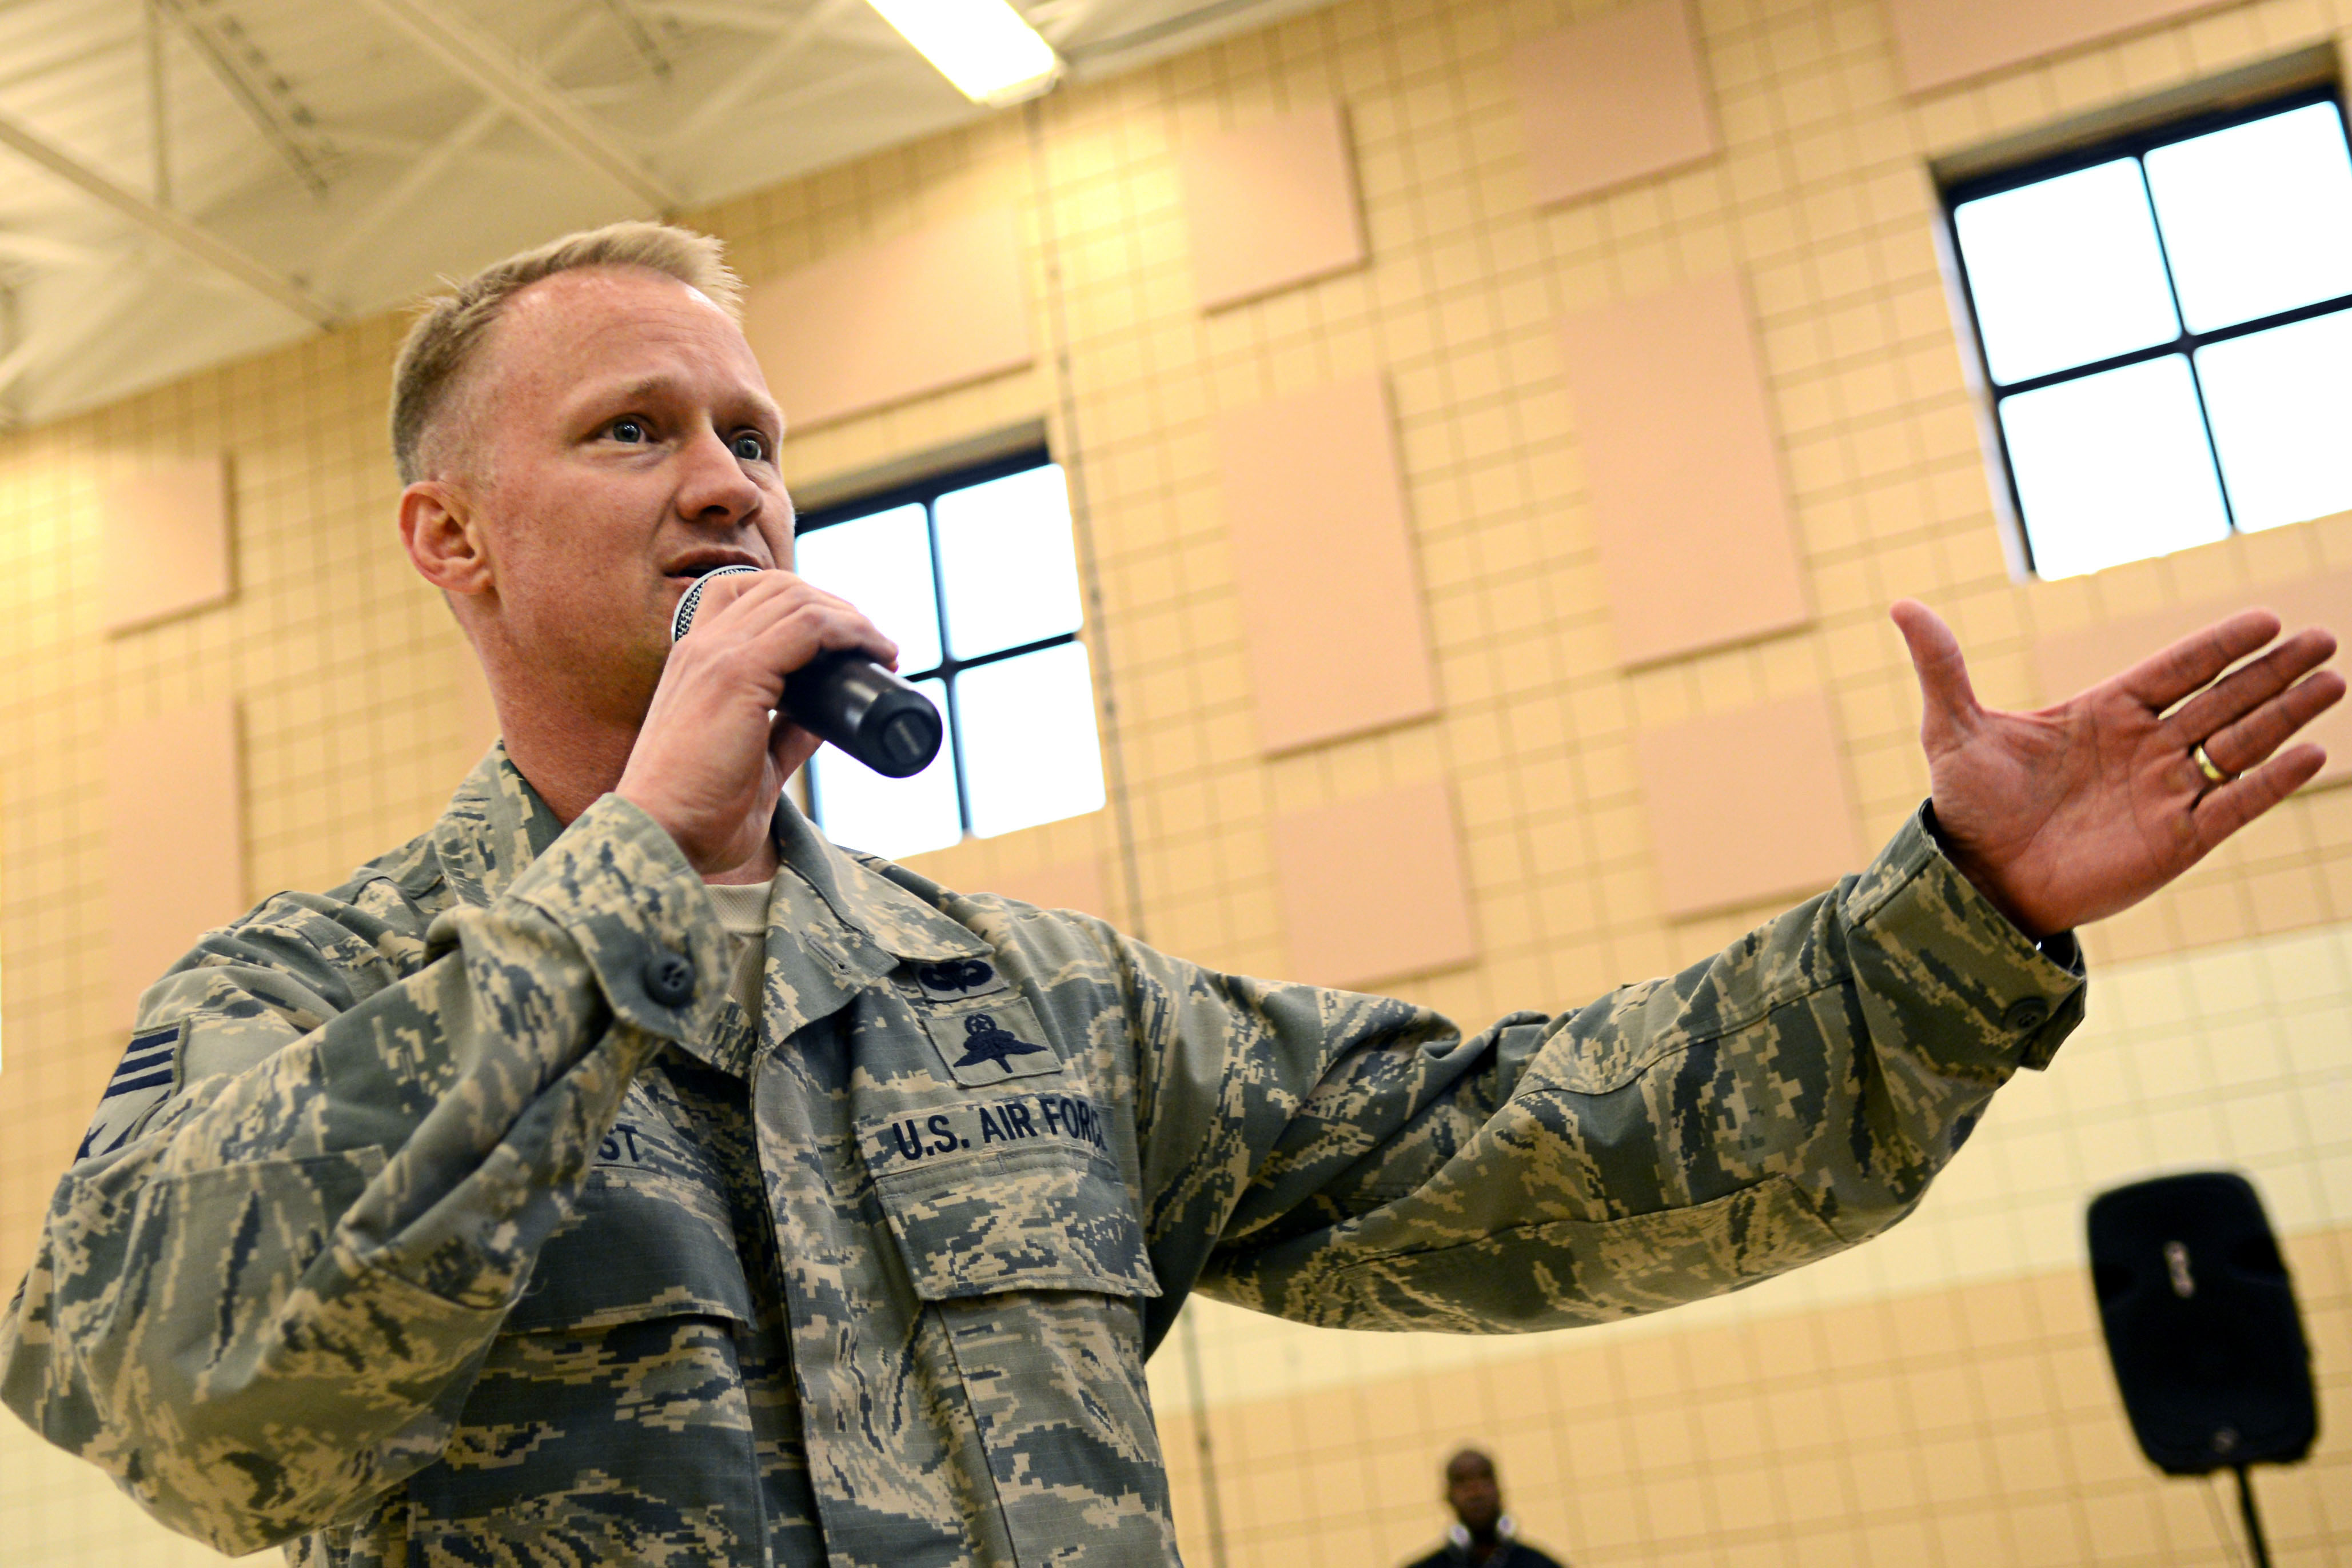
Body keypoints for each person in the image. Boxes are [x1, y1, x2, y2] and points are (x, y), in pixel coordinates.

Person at [0, 220, 2338, 1567]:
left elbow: (1544, 1151)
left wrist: (1948, 912)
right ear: (454, 535)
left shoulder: (1020, 1004)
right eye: (633, 430)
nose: (728, 485)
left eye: (754, 438)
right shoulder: (300, 995)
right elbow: (182, 1405)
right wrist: (628, 888)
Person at [1403, 1449, 1566, 1568]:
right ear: (1448, 1497)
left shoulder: (1540, 1565)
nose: (1476, 1492)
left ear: (1499, 1490)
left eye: (1484, 1478)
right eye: (1462, 1482)